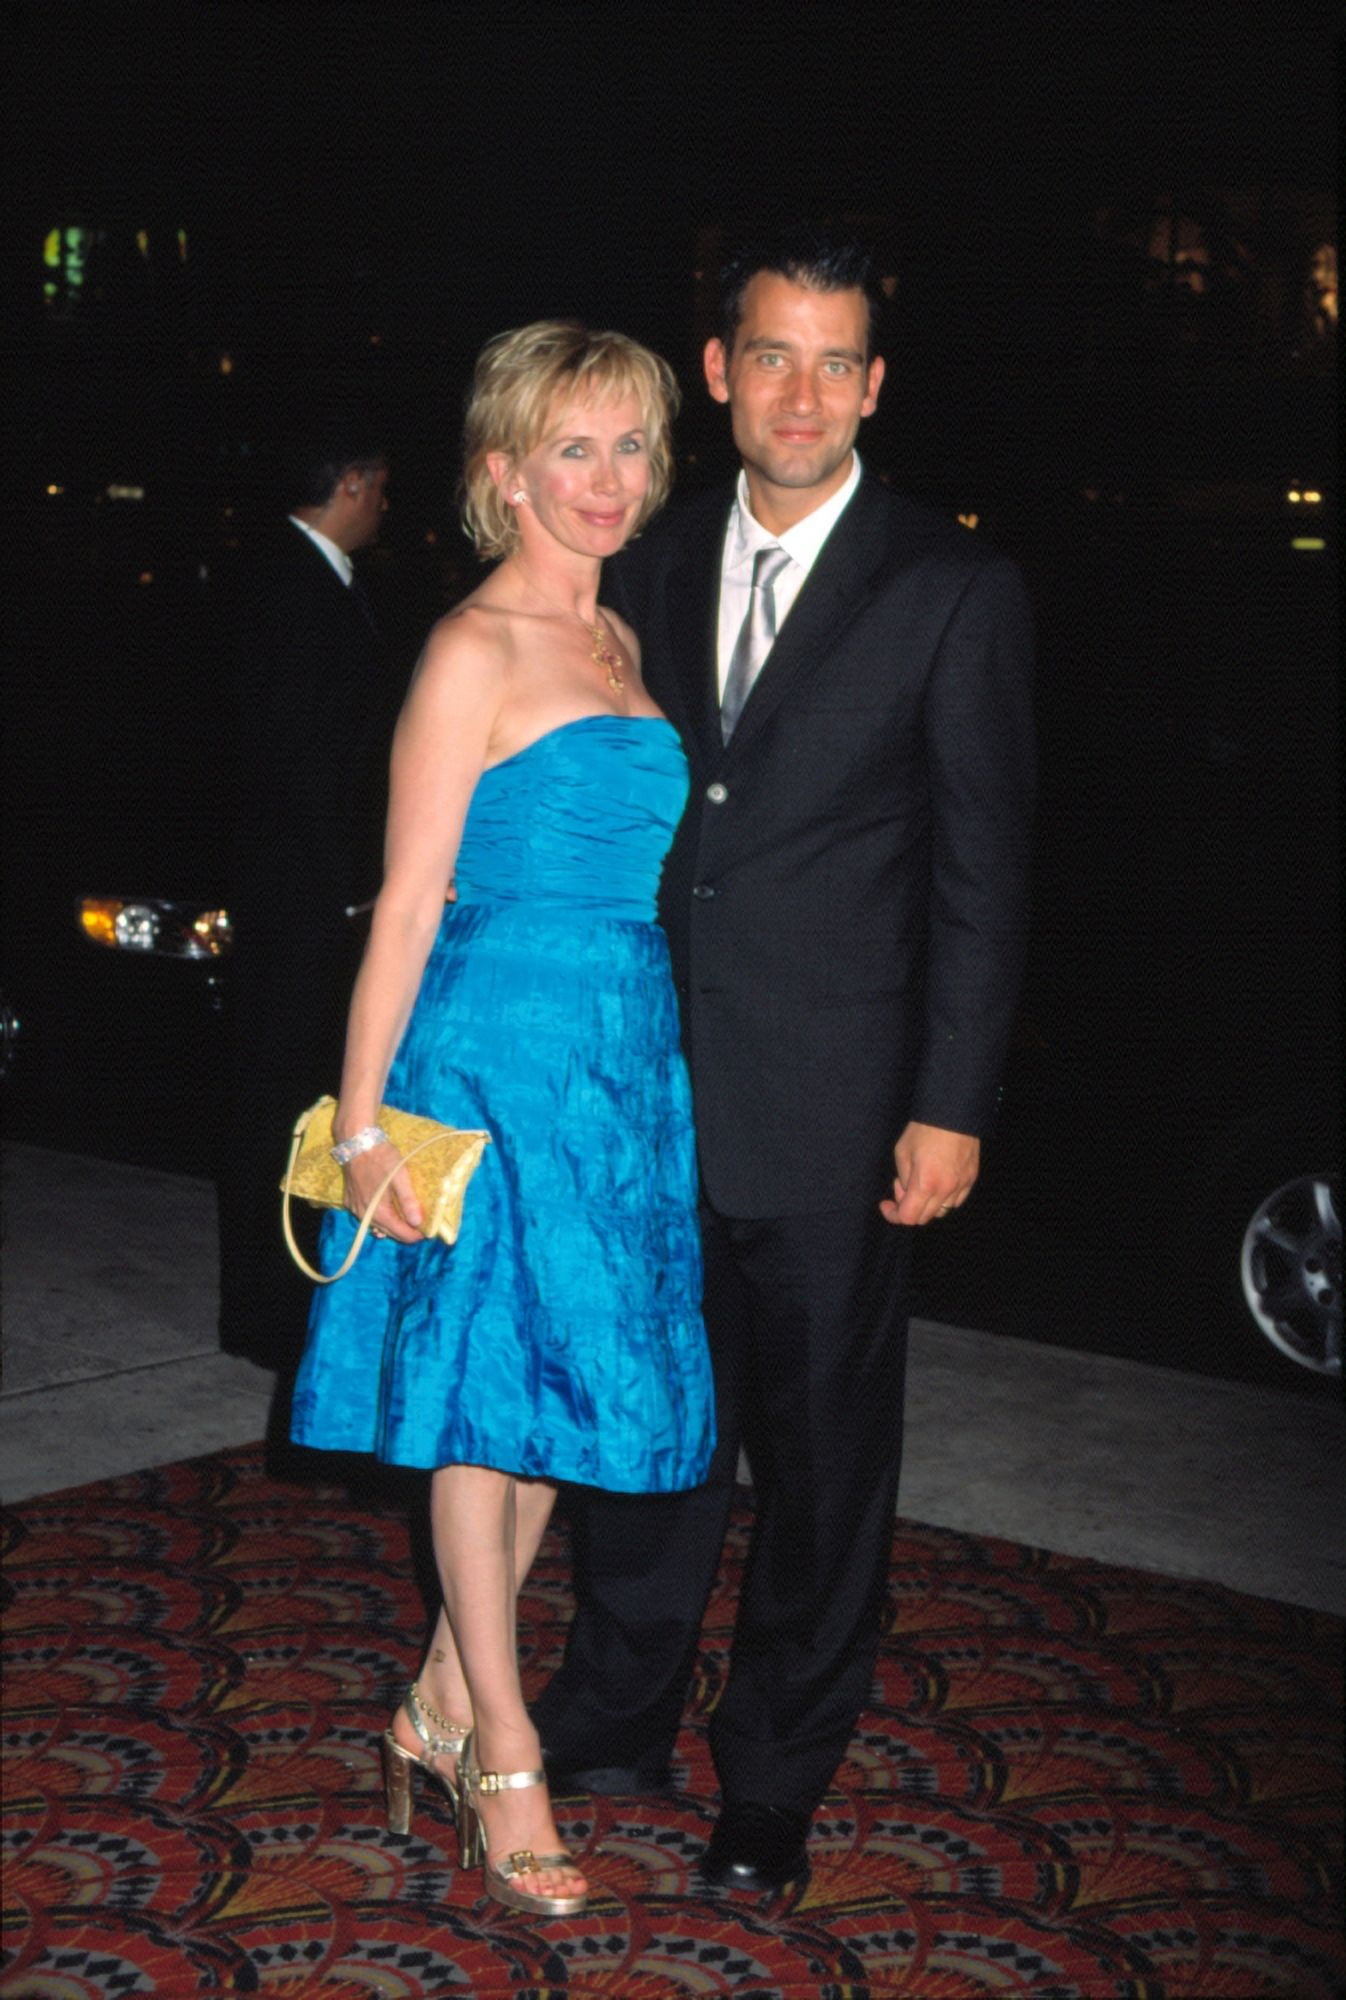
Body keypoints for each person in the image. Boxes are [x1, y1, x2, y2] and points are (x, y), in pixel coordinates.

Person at [533, 226, 1036, 1895]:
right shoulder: (654, 559)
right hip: (647, 1091)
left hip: (836, 1112)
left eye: (836, 362)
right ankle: (613, 1711)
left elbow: (981, 870)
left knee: (821, 1473)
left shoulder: (952, 586)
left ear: (874, 386)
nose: (802, 392)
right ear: (720, 372)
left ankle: (772, 1779)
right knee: (648, 1435)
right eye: (773, 355)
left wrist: (949, 1102)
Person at [288, 323, 714, 1917]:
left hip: (616, 1058)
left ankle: (435, 1696)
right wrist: (366, 1124)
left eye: (628, 449)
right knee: (481, 1397)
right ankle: (504, 1752)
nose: (606, 482)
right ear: (503, 469)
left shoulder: (618, 637)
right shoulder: (469, 647)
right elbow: (402, 905)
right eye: (573, 450)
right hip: (484, 1049)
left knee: (555, 1399)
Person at [219, 429, 397, 1371]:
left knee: (296, 1092)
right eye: (379, 488)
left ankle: (284, 1301)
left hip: (307, 887)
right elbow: (302, 758)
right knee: (282, 1099)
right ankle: (271, 1312)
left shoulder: (316, 579)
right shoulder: (293, 585)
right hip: (305, 895)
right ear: (353, 479)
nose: (384, 507)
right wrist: (351, 887)